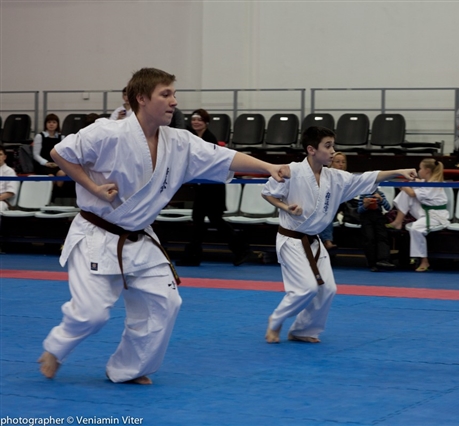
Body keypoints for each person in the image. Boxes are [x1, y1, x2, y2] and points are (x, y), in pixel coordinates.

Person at [38, 68, 290, 385]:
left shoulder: (179, 142)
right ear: (142, 98)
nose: (174, 101)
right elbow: (59, 152)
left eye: (174, 94)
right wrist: (93, 187)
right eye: (166, 94)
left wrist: (268, 166)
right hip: (96, 235)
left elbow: (225, 158)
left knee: (165, 302)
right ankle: (56, 348)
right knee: (92, 314)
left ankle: (128, 368)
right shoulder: (108, 132)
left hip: (140, 237)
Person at [262, 126, 417, 344]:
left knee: (328, 289)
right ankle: (276, 320)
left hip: (314, 240)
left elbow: (367, 178)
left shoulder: (334, 177)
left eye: (333, 146)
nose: (333, 151)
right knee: (306, 289)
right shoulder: (292, 171)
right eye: (327, 146)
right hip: (291, 239)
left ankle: (303, 330)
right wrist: (286, 208)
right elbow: (268, 193)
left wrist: (398, 171)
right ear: (311, 149)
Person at [177, 109, 254, 266]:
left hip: (212, 187)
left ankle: (241, 250)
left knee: (210, 220)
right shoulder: (194, 138)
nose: (196, 122)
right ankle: (195, 255)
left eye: (199, 120)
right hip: (203, 186)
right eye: (193, 119)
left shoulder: (209, 139)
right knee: (202, 220)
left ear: (206, 123)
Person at [386, 159, 449, 272]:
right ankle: (398, 222)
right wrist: (408, 183)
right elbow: (413, 188)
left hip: (436, 216)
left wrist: (403, 185)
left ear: (427, 170)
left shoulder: (434, 184)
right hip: (424, 211)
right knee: (405, 194)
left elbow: (412, 193)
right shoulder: (425, 182)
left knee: (416, 229)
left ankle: (424, 261)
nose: (419, 171)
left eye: (420, 168)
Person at [357, 186, 394, 272]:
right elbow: (359, 210)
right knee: (369, 238)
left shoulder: (380, 194)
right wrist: (365, 205)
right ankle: (372, 263)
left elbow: (388, 207)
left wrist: (381, 199)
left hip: (378, 216)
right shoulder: (363, 195)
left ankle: (383, 260)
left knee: (382, 237)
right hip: (366, 218)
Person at [318, 152, 347, 250]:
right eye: (337, 162)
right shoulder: (324, 176)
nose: (341, 164)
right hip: (327, 206)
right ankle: (327, 241)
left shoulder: (348, 177)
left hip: (344, 206)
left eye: (343, 162)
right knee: (325, 213)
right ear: (331, 163)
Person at [32, 114, 67, 186]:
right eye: (49, 122)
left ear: (57, 124)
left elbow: (64, 154)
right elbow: (36, 155)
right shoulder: (40, 136)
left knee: (62, 173)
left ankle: (58, 192)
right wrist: (46, 163)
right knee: (51, 176)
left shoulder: (62, 137)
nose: (51, 124)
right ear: (45, 124)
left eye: (54, 122)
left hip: (57, 164)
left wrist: (59, 163)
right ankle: (50, 192)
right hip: (43, 165)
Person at [0, 146, 19, 216]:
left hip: (3, 201)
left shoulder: (9, 171)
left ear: (4, 157)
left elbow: (10, 192)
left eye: (0, 154)